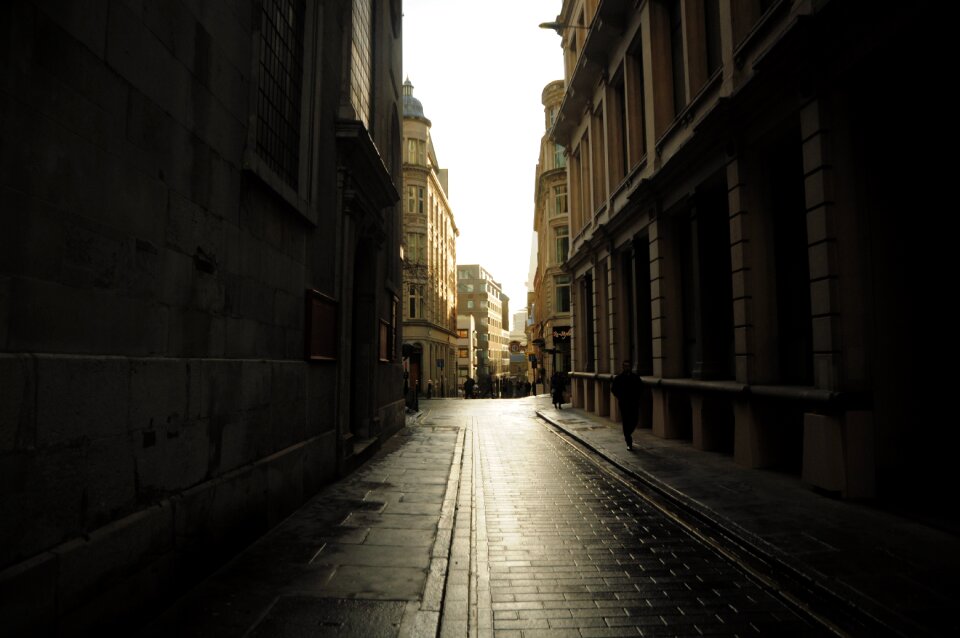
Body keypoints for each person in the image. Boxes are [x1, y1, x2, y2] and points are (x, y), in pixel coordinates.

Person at [612, 360, 642, 450]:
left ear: (630, 367)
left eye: (628, 366)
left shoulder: (635, 377)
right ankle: (629, 442)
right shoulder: (619, 378)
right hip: (624, 403)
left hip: (633, 403)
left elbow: (641, 388)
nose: (627, 368)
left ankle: (628, 434)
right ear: (623, 367)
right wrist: (620, 397)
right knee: (626, 422)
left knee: (634, 420)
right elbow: (614, 389)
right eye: (625, 366)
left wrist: (637, 398)